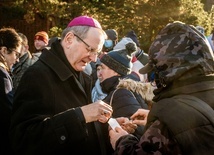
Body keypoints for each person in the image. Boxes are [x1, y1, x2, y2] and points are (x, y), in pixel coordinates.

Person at [9, 15, 113, 155]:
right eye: (90, 49)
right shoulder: (37, 75)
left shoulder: (81, 74)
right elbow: (24, 140)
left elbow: (84, 129)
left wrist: (110, 127)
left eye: (97, 53)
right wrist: (80, 115)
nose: (94, 59)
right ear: (69, 39)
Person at [109, 21, 214, 154]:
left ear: (167, 70)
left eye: (155, 72)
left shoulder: (171, 116)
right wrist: (155, 119)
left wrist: (121, 141)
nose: (154, 80)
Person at [100, 42, 149, 138]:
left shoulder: (122, 94)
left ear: (116, 72)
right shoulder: (121, 91)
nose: (99, 73)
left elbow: (137, 129)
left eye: (103, 68)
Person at [0, 27, 22, 155]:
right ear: (3, 51)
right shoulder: (2, 75)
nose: (17, 59)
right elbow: (10, 111)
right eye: (16, 54)